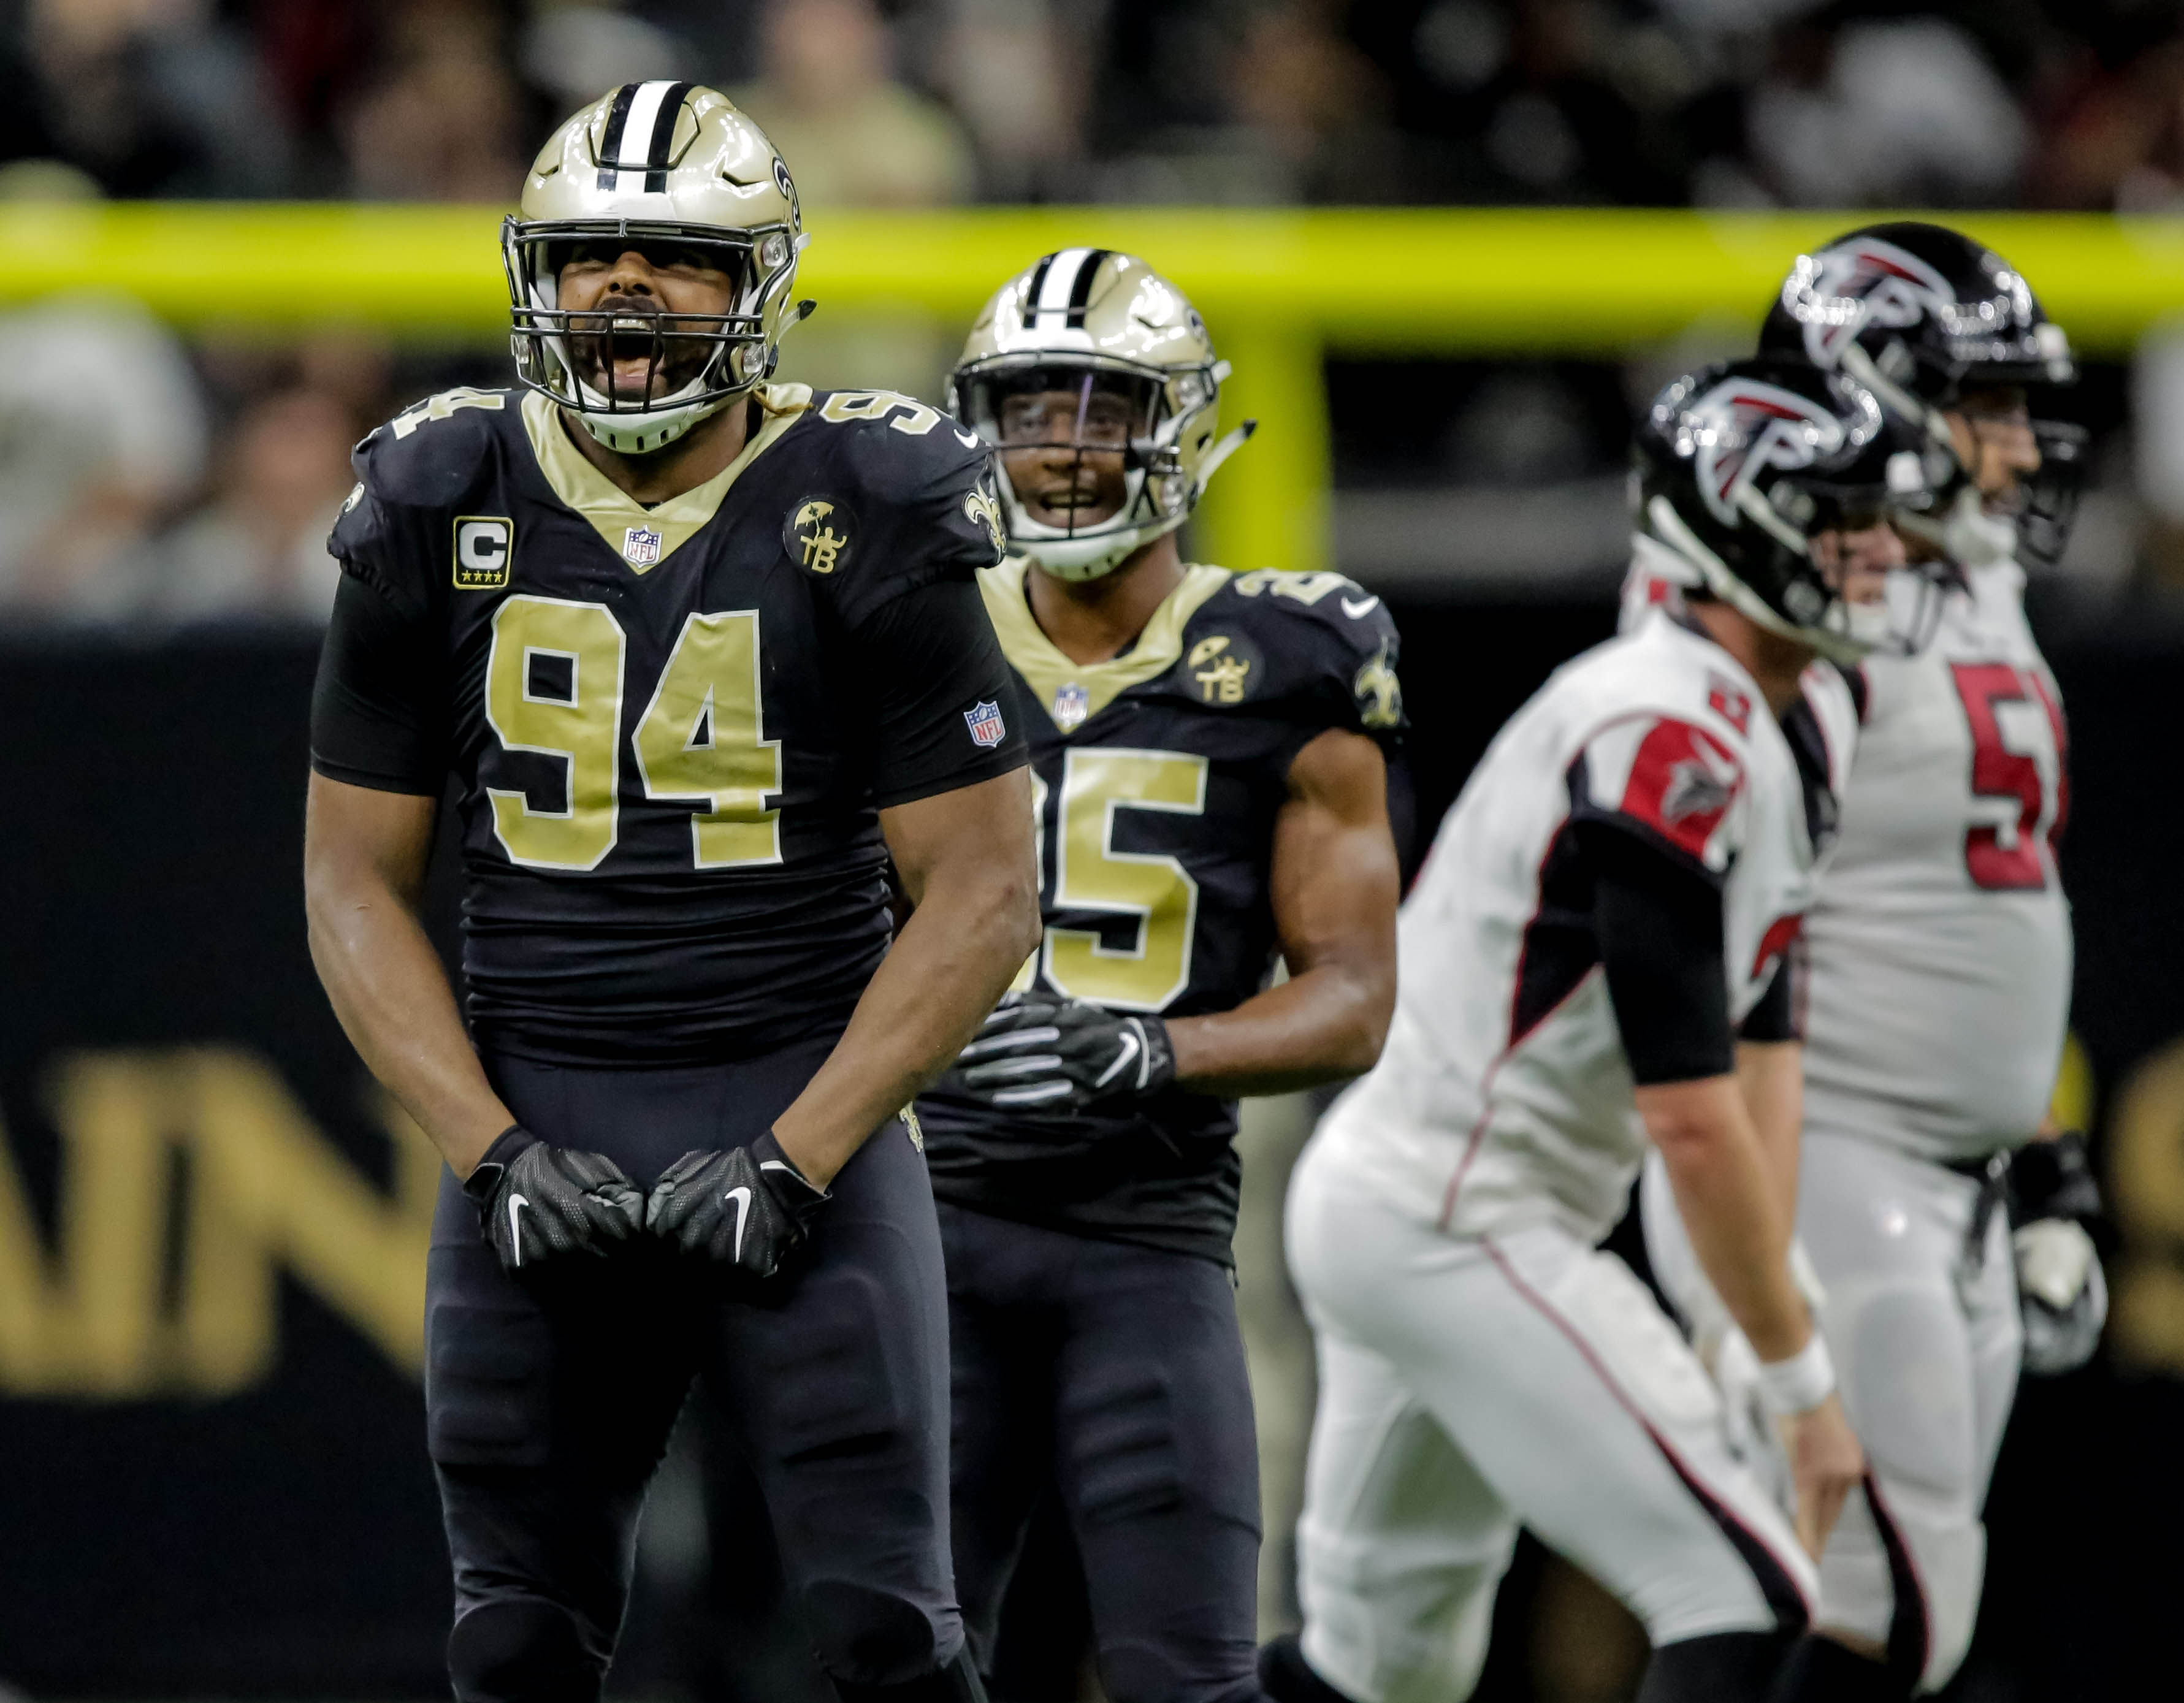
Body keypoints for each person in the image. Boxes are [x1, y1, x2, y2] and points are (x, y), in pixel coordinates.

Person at [300, 83, 1037, 1703]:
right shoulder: (440, 489)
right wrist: (488, 1145)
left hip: (802, 1106)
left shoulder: (869, 493)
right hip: (538, 1114)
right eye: (590, 254)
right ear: (532, 274)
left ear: (762, 283)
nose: (625, 290)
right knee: (512, 1641)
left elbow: (985, 890)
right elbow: (349, 880)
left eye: (677, 257)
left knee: (891, 1641)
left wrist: (801, 1152)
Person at [1261, 356, 1933, 1703]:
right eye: (1839, 518)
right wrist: (1797, 1380)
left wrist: (1749, 1316)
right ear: (1734, 526)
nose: (1879, 550)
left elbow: (1757, 1041)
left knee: (1384, 1670)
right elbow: (1688, 1114)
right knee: (1743, 1594)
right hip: (1457, 1215)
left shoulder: (1789, 711)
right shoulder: (1663, 727)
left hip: (1415, 1206)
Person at [914, 248, 1407, 1703]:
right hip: (923, 1225)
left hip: (1147, 1231)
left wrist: (1156, 1052)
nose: (1062, 449)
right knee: (894, 1662)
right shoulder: (908, 628)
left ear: (1182, 427)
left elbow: (1355, 999)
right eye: (1029, 410)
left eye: (1103, 409)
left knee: (1190, 1673)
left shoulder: (1293, 654)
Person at [1648, 221, 2101, 1698]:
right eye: (1986, 405)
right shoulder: (1792, 596)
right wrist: (1743, 1246)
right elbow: (1718, 933)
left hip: (1950, 1175)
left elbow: (1986, 905)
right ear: (1879, 394)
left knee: (1848, 1609)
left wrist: (2038, 1153)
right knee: (1868, 1601)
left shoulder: (1968, 577)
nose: (2020, 447)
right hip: (1825, 1150)